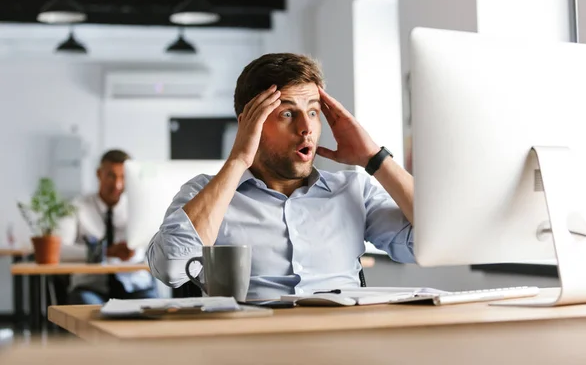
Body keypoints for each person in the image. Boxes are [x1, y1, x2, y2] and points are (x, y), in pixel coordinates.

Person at [147, 53, 414, 299]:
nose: (306, 127)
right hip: (249, 343)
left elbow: (425, 244)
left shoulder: (355, 190)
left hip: (342, 339)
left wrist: (374, 159)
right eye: (287, 113)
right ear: (249, 124)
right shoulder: (204, 193)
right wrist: (239, 159)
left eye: (313, 112)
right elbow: (171, 267)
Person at [57, 149, 157, 304]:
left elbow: (150, 247)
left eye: (123, 177)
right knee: (87, 309)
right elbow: (59, 249)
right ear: (99, 174)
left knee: (155, 312)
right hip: (91, 287)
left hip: (135, 287)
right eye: (111, 175)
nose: (117, 184)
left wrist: (135, 251)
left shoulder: (138, 207)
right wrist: (104, 252)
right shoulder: (76, 207)